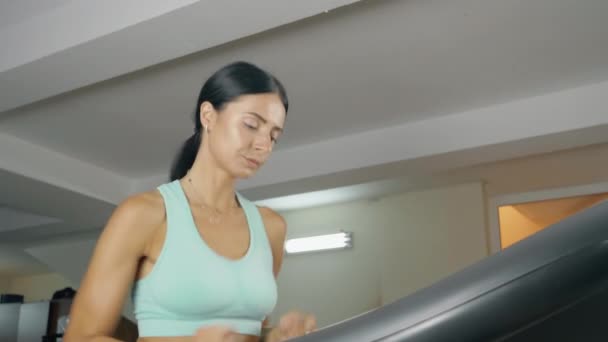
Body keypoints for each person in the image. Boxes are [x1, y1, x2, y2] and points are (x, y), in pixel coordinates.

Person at [64, 61, 317, 342]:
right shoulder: (145, 214)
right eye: (251, 125)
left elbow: (247, 330)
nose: (264, 145)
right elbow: (81, 337)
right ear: (208, 115)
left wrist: (276, 336)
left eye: (274, 136)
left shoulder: (271, 227)